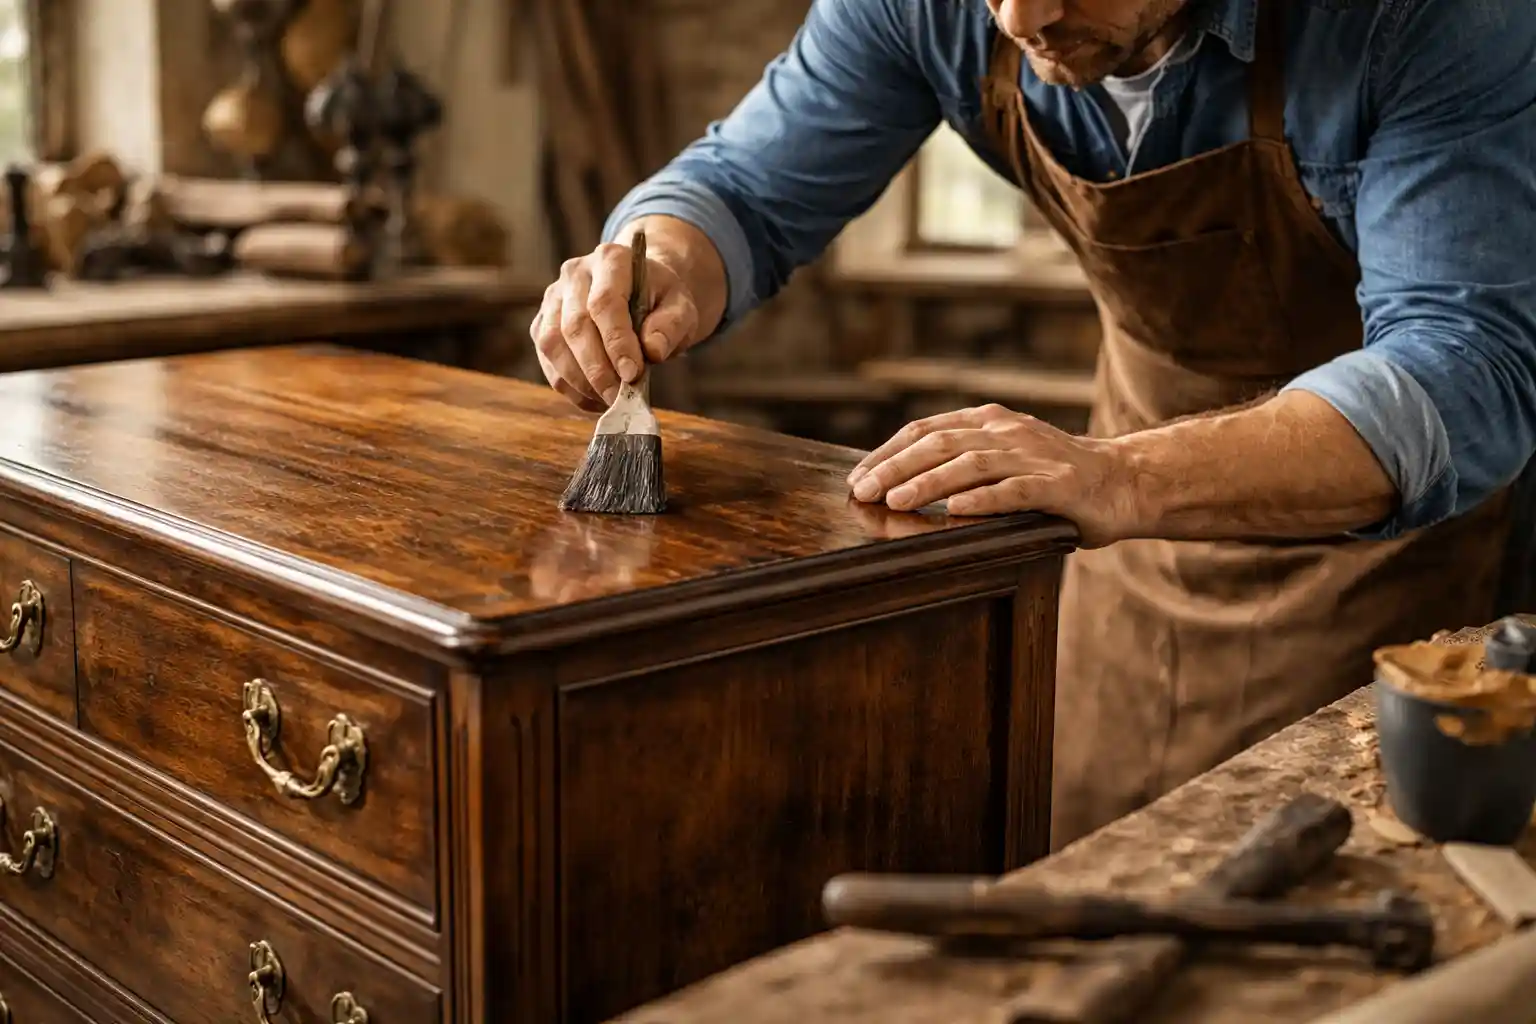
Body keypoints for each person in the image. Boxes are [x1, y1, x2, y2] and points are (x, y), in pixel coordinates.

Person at [530, 0, 1536, 849]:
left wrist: (1119, 479)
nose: (1019, 19)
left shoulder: (1425, 19)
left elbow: (1465, 370)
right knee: (1097, 859)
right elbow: (744, 188)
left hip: (1390, 552)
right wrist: (659, 258)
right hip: (1124, 545)